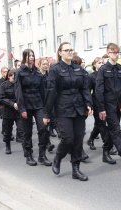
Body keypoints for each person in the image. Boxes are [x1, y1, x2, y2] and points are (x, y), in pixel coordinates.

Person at [43, 42, 93, 181]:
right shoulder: (55, 69)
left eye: (71, 50)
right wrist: (47, 113)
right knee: (67, 138)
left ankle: (75, 170)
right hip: (63, 107)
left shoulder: (78, 68)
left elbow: (85, 88)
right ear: (60, 53)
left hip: (78, 107)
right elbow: (51, 91)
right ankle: (58, 158)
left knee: (78, 139)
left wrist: (88, 104)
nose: (70, 52)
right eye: (66, 50)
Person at [95, 43, 121, 171]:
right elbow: (98, 90)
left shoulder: (120, 69)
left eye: (118, 52)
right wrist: (101, 108)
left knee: (112, 130)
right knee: (115, 130)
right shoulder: (103, 70)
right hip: (108, 106)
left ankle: (105, 152)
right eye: (114, 52)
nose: (116, 54)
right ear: (108, 53)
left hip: (119, 105)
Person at [15, 49, 52, 166]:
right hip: (26, 104)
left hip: (38, 104)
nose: (31, 57)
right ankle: (29, 154)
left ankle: (42, 155)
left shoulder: (37, 73)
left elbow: (43, 91)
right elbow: (18, 91)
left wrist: (46, 107)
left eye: (32, 55)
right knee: (27, 131)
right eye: (29, 55)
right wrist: (22, 108)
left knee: (43, 128)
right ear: (24, 57)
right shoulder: (19, 72)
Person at [0, 69, 25, 154]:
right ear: (9, 76)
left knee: (22, 130)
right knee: (7, 131)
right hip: (8, 111)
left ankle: (25, 148)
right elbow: (2, 98)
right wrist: (12, 104)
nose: (15, 79)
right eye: (13, 78)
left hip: (19, 111)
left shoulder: (20, 85)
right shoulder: (4, 85)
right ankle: (7, 146)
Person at [37, 57, 56, 152]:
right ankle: (47, 143)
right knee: (43, 126)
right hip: (40, 103)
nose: (45, 66)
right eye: (43, 64)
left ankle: (48, 142)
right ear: (39, 65)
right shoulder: (37, 75)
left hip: (49, 102)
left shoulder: (50, 75)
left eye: (46, 64)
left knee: (52, 122)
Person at [87, 57, 104, 150]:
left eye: (102, 62)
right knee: (101, 123)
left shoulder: (106, 75)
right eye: (99, 63)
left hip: (105, 102)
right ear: (94, 65)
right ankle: (107, 144)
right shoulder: (91, 76)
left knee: (99, 124)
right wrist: (89, 104)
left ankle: (91, 139)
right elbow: (88, 91)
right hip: (96, 102)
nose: (101, 64)